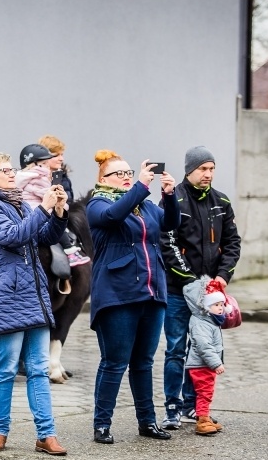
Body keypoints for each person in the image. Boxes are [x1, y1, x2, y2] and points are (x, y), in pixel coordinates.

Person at [0, 152, 69, 456]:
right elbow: (12, 236)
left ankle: (46, 434)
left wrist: (59, 211)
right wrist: (43, 207)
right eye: (4, 170)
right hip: (7, 297)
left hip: (33, 296)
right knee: (5, 369)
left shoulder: (21, 204)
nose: (12, 173)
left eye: (11, 169)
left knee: (39, 369)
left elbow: (43, 236)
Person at [87, 149, 180, 444]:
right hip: (117, 294)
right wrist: (140, 186)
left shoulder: (146, 206)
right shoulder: (97, 205)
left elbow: (170, 222)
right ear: (104, 179)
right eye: (121, 174)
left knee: (143, 362)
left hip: (151, 294)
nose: (127, 177)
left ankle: (147, 422)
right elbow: (115, 215)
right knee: (114, 362)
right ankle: (102, 424)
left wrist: (168, 195)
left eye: (130, 173)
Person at [160, 146, 241, 430]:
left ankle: (195, 407)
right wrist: (189, 281)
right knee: (176, 349)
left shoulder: (222, 201)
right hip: (178, 290)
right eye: (202, 169)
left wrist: (222, 276)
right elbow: (166, 242)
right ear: (189, 170)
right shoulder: (175, 200)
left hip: (210, 293)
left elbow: (232, 243)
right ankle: (173, 407)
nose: (208, 174)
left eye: (211, 169)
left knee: (205, 349)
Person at [15, 143, 90, 267]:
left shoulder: (22, 178)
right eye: (44, 164)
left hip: (27, 213)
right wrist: (63, 207)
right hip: (38, 210)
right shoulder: (38, 177)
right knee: (60, 229)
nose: (46, 166)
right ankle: (70, 251)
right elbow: (48, 195)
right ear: (35, 164)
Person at [183, 277, 227, 436]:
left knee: (205, 392)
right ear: (206, 306)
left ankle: (204, 416)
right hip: (201, 365)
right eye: (216, 305)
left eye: (222, 305)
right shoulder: (201, 323)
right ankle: (202, 421)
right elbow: (204, 346)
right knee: (205, 393)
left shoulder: (209, 320)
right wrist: (216, 363)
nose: (221, 308)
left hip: (204, 365)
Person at [37, 135, 74, 203]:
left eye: (62, 155)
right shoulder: (34, 180)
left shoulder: (64, 179)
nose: (61, 159)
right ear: (43, 156)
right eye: (56, 155)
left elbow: (70, 206)